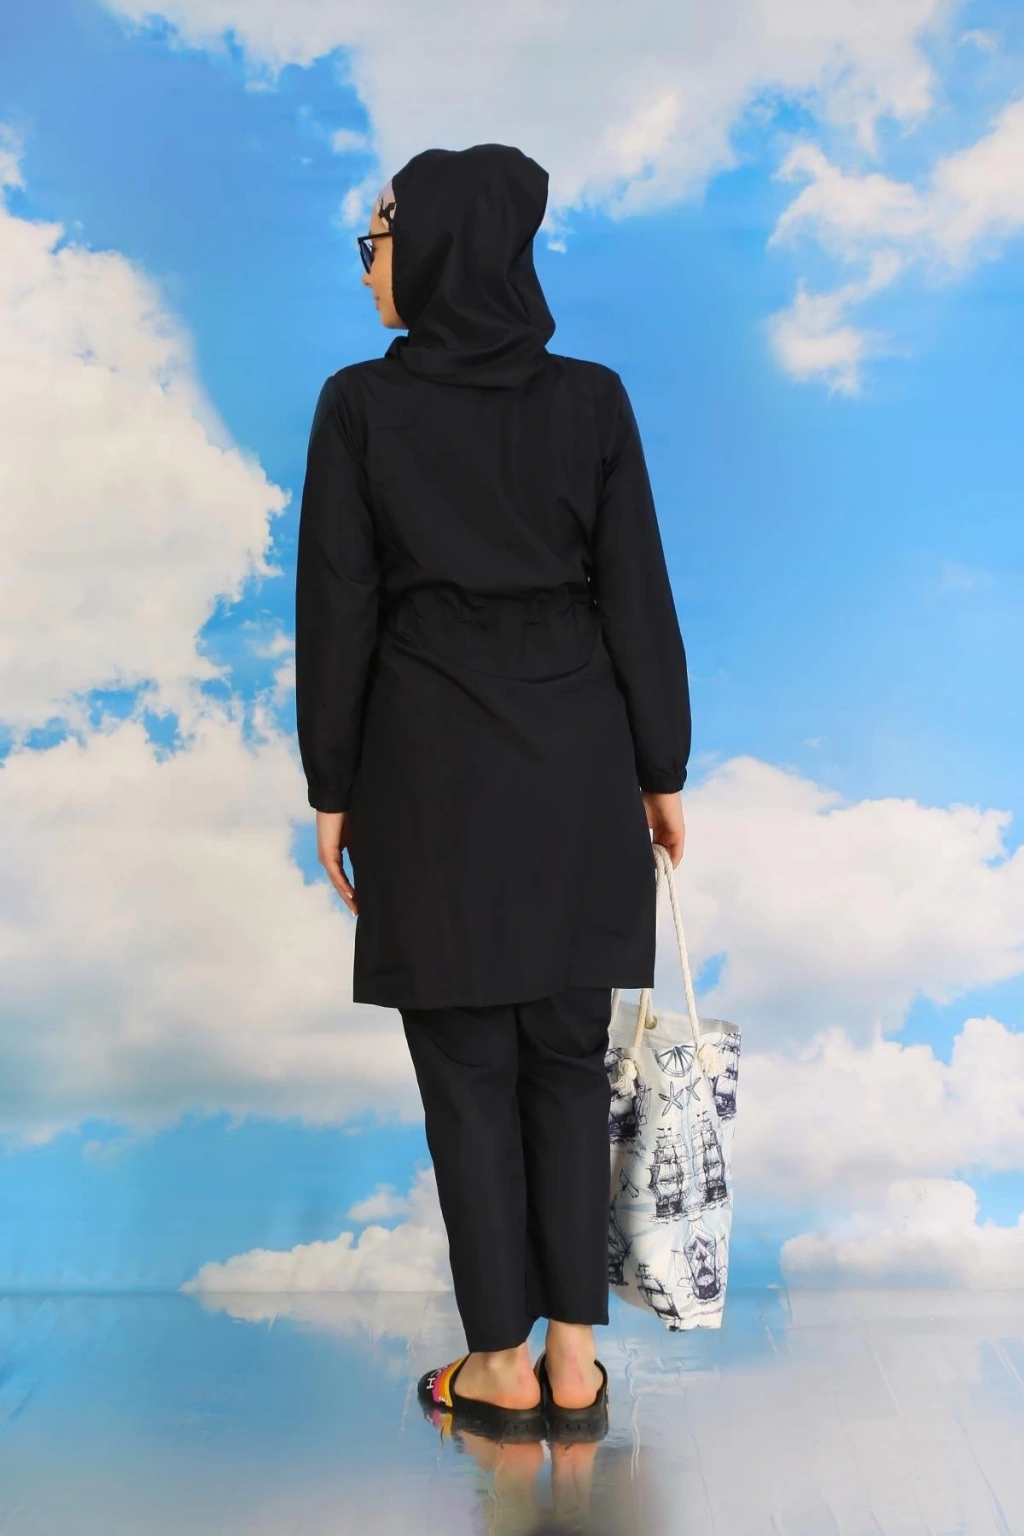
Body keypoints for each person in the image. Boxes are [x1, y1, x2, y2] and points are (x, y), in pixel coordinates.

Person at [294, 143, 690, 1438]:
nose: (368, 269)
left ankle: (497, 1368)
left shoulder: (360, 406)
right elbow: (638, 593)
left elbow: (339, 608)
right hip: (579, 773)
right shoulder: (594, 401)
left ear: (436, 248)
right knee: (568, 1067)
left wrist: (332, 783)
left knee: (466, 1073)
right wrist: (661, 768)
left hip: (429, 778)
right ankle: (574, 1364)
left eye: (375, 243)